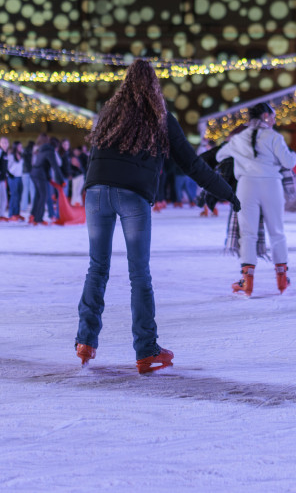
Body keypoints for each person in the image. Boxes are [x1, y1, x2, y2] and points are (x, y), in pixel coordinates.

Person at [75, 60, 238, 373]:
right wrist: (226, 191)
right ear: (153, 86)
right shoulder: (160, 117)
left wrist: (92, 185)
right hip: (132, 194)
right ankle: (147, 349)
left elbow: (94, 154)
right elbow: (191, 164)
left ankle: (85, 341)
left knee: (97, 267)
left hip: (96, 192)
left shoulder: (108, 114)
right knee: (139, 274)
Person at [217, 103, 296, 296]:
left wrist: (239, 156)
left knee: (248, 234)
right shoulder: (274, 137)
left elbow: (220, 155)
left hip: (246, 186)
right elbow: (289, 162)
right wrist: (293, 155)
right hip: (271, 185)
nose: (275, 120)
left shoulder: (238, 138)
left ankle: (247, 281)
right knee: (277, 232)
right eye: (274, 116)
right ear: (265, 116)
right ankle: (281, 279)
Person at [29, 133, 53, 226]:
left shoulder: (36, 147)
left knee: (38, 195)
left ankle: (33, 215)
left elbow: (32, 162)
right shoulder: (43, 148)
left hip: (35, 173)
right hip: (40, 174)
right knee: (43, 195)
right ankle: (38, 218)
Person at [7, 141, 25, 221]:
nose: (21, 148)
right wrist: (11, 173)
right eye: (19, 147)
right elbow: (8, 167)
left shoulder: (22, 156)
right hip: (13, 177)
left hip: (20, 177)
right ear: (15, 147)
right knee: (14, 195)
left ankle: (17, 213)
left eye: (21, 146)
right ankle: (11, 213)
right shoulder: (11, 156)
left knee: (19, 196)